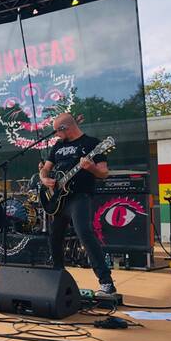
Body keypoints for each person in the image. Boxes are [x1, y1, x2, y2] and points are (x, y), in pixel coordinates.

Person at [40, 113, 115, 297]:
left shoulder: (93, 144)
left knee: (85, 234)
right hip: (58, 200)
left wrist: (92, 168)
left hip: (79, 197)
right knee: (54, 237)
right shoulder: (58, 146)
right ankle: (57, 277)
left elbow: (104, 173)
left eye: (57, 131)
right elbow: (46, 168)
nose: (56, 135)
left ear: (66, 128)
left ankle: (106, 282)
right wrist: (44, 179)